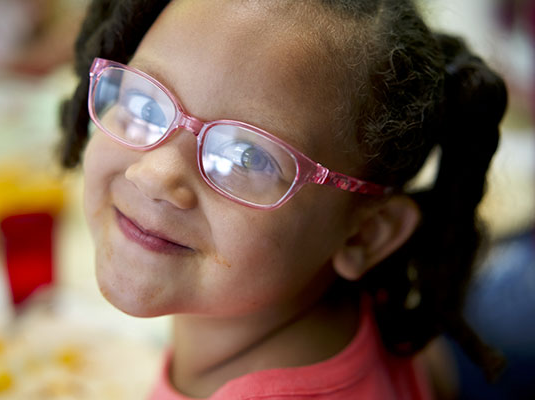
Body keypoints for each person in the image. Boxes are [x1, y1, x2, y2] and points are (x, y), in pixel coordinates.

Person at [59, 0, 508, 398]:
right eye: (144, 105)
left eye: (248, 155)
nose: (154, 174)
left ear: (366, 234)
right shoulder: (378, 314)